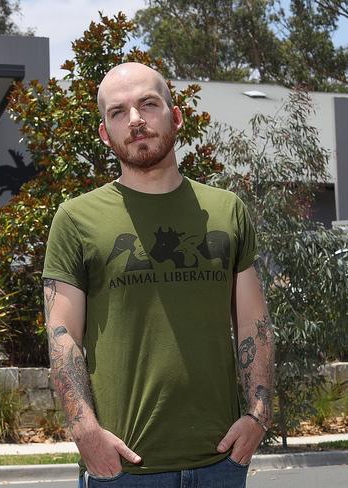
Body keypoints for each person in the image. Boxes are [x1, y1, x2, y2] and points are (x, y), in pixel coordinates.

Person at [42, 62, 275, 488]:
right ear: (104, 133)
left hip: (220, 463)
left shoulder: (228, 211)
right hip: (122, 470)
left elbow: (253, 323)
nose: (135, 120)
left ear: (176, 115)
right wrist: (84, 430)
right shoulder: (75, 219)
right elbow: (62, 335)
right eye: (118, 112)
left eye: (148, 104)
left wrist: (259, 414)